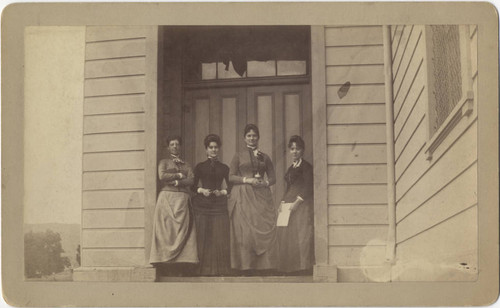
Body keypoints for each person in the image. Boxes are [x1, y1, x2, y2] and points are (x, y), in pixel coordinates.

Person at [228, 124, 278, 273]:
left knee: (262, 228)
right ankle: (246, 266)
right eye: (249, 136)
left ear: (258, 137)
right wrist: (247, 180)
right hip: (244, 196)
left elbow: (273, 177)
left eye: (254, 135)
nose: (252, 138)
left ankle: (264, 267)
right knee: (246, 232)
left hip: (262, 197)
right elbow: (231, 177)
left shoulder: (265, 156)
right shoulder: (238, 155)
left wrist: (266, 183)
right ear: (244, 138)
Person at [149, 136, 198, 274]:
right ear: (168, 147)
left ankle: (181, 265)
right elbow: (162, 176)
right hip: (167, 199)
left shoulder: (186, 164)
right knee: (167, 231)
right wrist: (179, 175)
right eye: (172, 144)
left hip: (182, 200)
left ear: (180, 147)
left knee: (183, 231)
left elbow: (191, 180)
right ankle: (165, 265)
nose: (175, 146)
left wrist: (177, 182)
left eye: (177, 144)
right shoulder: (164, 162)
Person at [191, 134, 232, 276]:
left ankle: (221, 270)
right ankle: (203, 270)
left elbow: (231, 186)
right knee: (204, 236)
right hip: (203, 205)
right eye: (211, 147)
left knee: (219, 237)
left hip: (219, 206)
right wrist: (202, 190)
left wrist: (222, 191)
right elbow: (192, 186)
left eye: (216, 147)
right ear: (206, 150)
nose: (214, 150)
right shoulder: (200, 167)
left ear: (218, 149)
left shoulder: (225, 168)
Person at [277, 135, 315, 274]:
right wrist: (282, 202)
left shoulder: (306, 167)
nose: (294, 152)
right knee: (288, 236)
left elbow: (308, 187)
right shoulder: (291, 168)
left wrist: (297, 202)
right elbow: (288, 187)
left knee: (302, 234)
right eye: (292, 149)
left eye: (297, 149)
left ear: (302, 150)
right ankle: (291, 268)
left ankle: (303, 268)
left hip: (301, 205)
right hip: (288, 205)